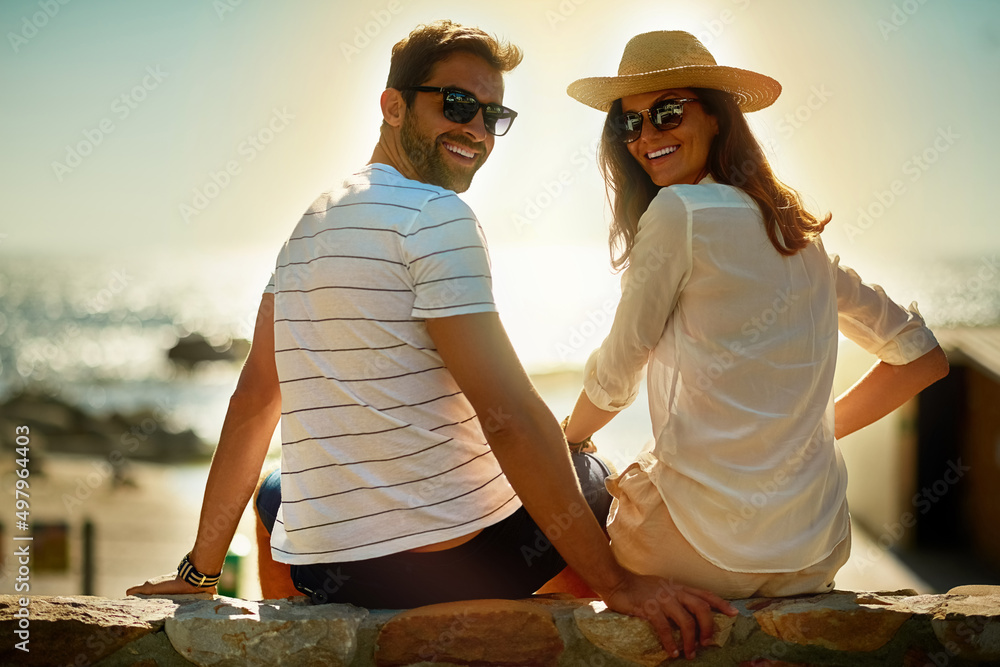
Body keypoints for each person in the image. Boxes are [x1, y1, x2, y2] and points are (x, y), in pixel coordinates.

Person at [128, 20, 734, 660]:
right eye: (456, 104)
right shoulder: (436, 215)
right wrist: (619, 584)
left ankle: (304, 631)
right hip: (454, 565)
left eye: (491, 115)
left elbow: (256, 399)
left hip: (335, 571)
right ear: (393, 106)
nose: (475, 128)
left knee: (279, 489)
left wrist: (200, 572)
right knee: (589, 473)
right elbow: (510, 416)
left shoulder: (310, 223)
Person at [561, 30, 949, 599]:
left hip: (694, 548)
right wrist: (806, 436)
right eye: (630, 122)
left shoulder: (679, 211)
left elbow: (619, 371)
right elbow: (923, 358)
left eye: (667, 113)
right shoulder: (796, 233)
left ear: (716, 117)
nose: (646, 137)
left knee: (546, 520)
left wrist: (566, 439)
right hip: (814, 553)